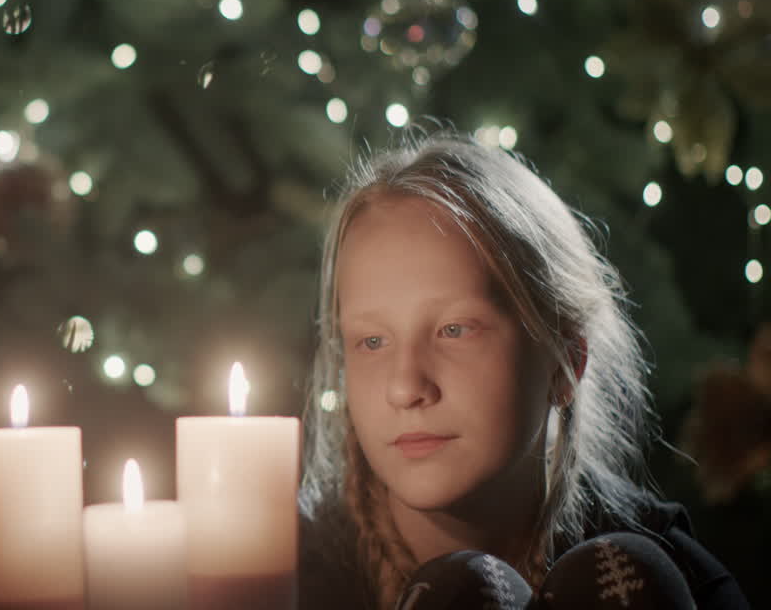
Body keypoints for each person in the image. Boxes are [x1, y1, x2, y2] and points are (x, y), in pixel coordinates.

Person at [297, 127, 750, 609]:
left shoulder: (664, 580)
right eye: (372, 341)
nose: (406, 387)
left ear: (565, 363)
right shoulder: (286, 576)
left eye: (455, 330)